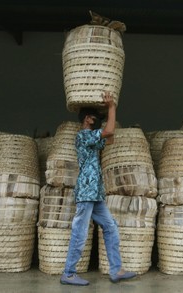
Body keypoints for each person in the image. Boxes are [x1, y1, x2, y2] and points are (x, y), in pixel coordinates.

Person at [60, 91, 137, 286]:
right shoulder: (83, 135)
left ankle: (116, 270)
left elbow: (109, 139)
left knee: (110, 227)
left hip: (95, 193)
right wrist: (111, 107)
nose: (98, 122)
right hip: (86, 191)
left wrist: (109, 114)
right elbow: (109, 132)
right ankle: (68, 273)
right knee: (80, 232)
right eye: (95, 118)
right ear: (87, 119)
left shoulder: (93, 139)